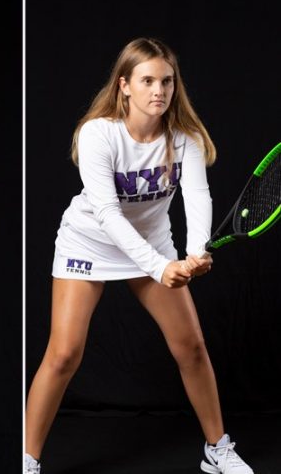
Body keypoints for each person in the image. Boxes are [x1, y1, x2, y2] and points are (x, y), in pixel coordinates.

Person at [23, 38, 253, 474]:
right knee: (64, 353)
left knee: (192, 347)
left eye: (166, 81)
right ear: (124, 85)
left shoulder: (183, 137)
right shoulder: (98, 133)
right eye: (147, 81)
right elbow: (108, 213)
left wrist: (196, 251)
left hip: (154, 245)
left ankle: (217, 449)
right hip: (88, 243)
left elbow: (197, 196)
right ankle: (28, 459)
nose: (159, 91)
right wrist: (160, 267)